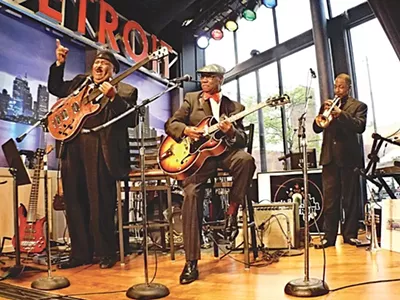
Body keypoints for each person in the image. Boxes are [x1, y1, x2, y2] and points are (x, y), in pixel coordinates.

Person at [47, 39, 138, 268]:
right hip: (73, 145)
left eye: (104, 63)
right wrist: (59, 63)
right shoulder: (80, 83)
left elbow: (130, 120)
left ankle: (106, 252)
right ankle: (80, 254)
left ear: (113, 69)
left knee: (100, 203)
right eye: (97, 62)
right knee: (74, 200)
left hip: (100, 148)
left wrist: (113, 97)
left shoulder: (125, 91)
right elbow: (55, 88)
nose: (99, 66)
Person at [165, 64, 256, 284]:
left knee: (247, 160)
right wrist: (187, 130)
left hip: (224, 154)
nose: (204, 80)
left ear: (220, 80)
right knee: (191, 196)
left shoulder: (234, 106)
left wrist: (232, 131)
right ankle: (191, 262)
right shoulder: (191, 99)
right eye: (202, 77)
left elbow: (243, 139)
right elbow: (172, 124)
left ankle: (232, 211)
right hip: (198, 159)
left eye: (209, 77)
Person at [313, 73, 367, 249]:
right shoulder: (328, 105)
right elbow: (318, 128)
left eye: (341, 87)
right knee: (330, 200)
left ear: (349, 87)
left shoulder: (359, 106)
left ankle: (350, 235)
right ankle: (329, 237)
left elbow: (360, 126)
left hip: (348, 158)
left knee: (350, 198)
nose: (337, 90)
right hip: (329, 158)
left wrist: (340, 114)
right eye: (336, 86)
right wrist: (319, 117)